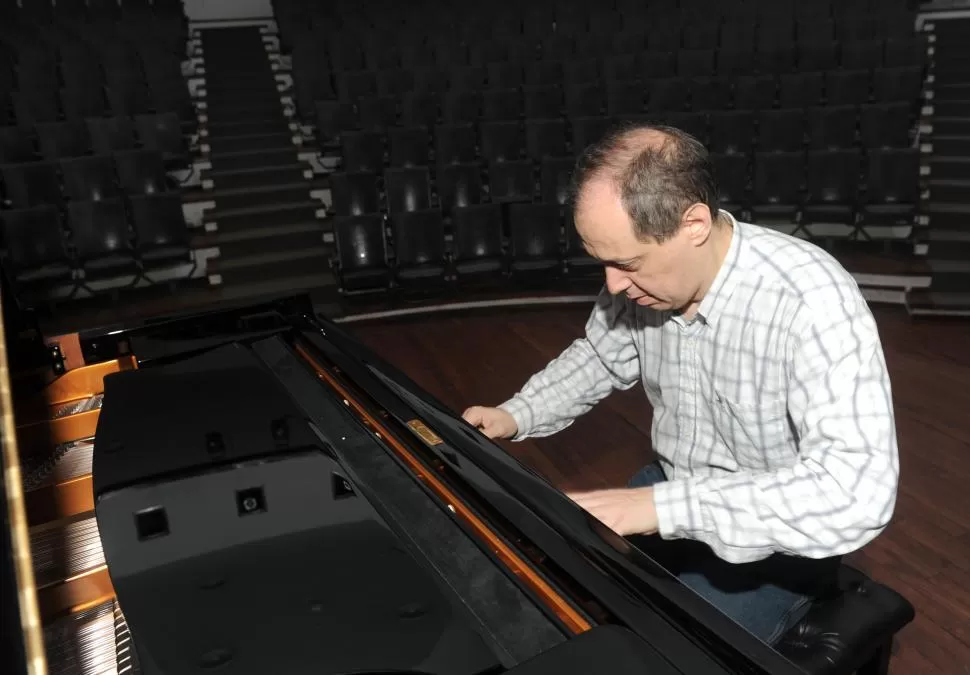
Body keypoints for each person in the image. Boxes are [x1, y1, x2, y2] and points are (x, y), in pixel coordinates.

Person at [462, 123, 899, 646]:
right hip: (670, 485)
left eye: (627, 263)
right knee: (552, 594)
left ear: (693, 223)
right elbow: (601, 357)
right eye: (602, 262)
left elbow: (854, 490)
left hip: (774, 541)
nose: (613, 285)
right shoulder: (642, 284)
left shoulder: (810, 300)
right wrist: (518, 413)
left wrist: (661, 509)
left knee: (660, 650)